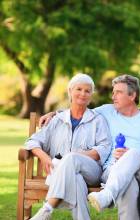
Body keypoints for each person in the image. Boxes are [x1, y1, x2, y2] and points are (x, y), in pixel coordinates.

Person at [40, 74, 140, 220]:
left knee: (133, 154)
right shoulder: (107, 111)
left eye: (118, 92)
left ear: (132, 95)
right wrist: (54, 113)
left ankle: (107, 195)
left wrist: (132, 155)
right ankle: (107, 196)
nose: (113, 96)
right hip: (112, 171)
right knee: (129, 184)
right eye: (113, 92)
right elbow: (79, 109)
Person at [25, 73, 112, 220]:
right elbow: (32, 141)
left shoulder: (98, 120)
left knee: (71, 158)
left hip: (91, 172)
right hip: (67, 174)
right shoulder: (57, 120)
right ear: (70, 91)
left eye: (87, 91)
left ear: (91, 95)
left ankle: (48, 208)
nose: (83, 94)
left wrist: (76, 156)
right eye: (78, 89)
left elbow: (103, 148)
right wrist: (44, 157)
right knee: (76, 179)